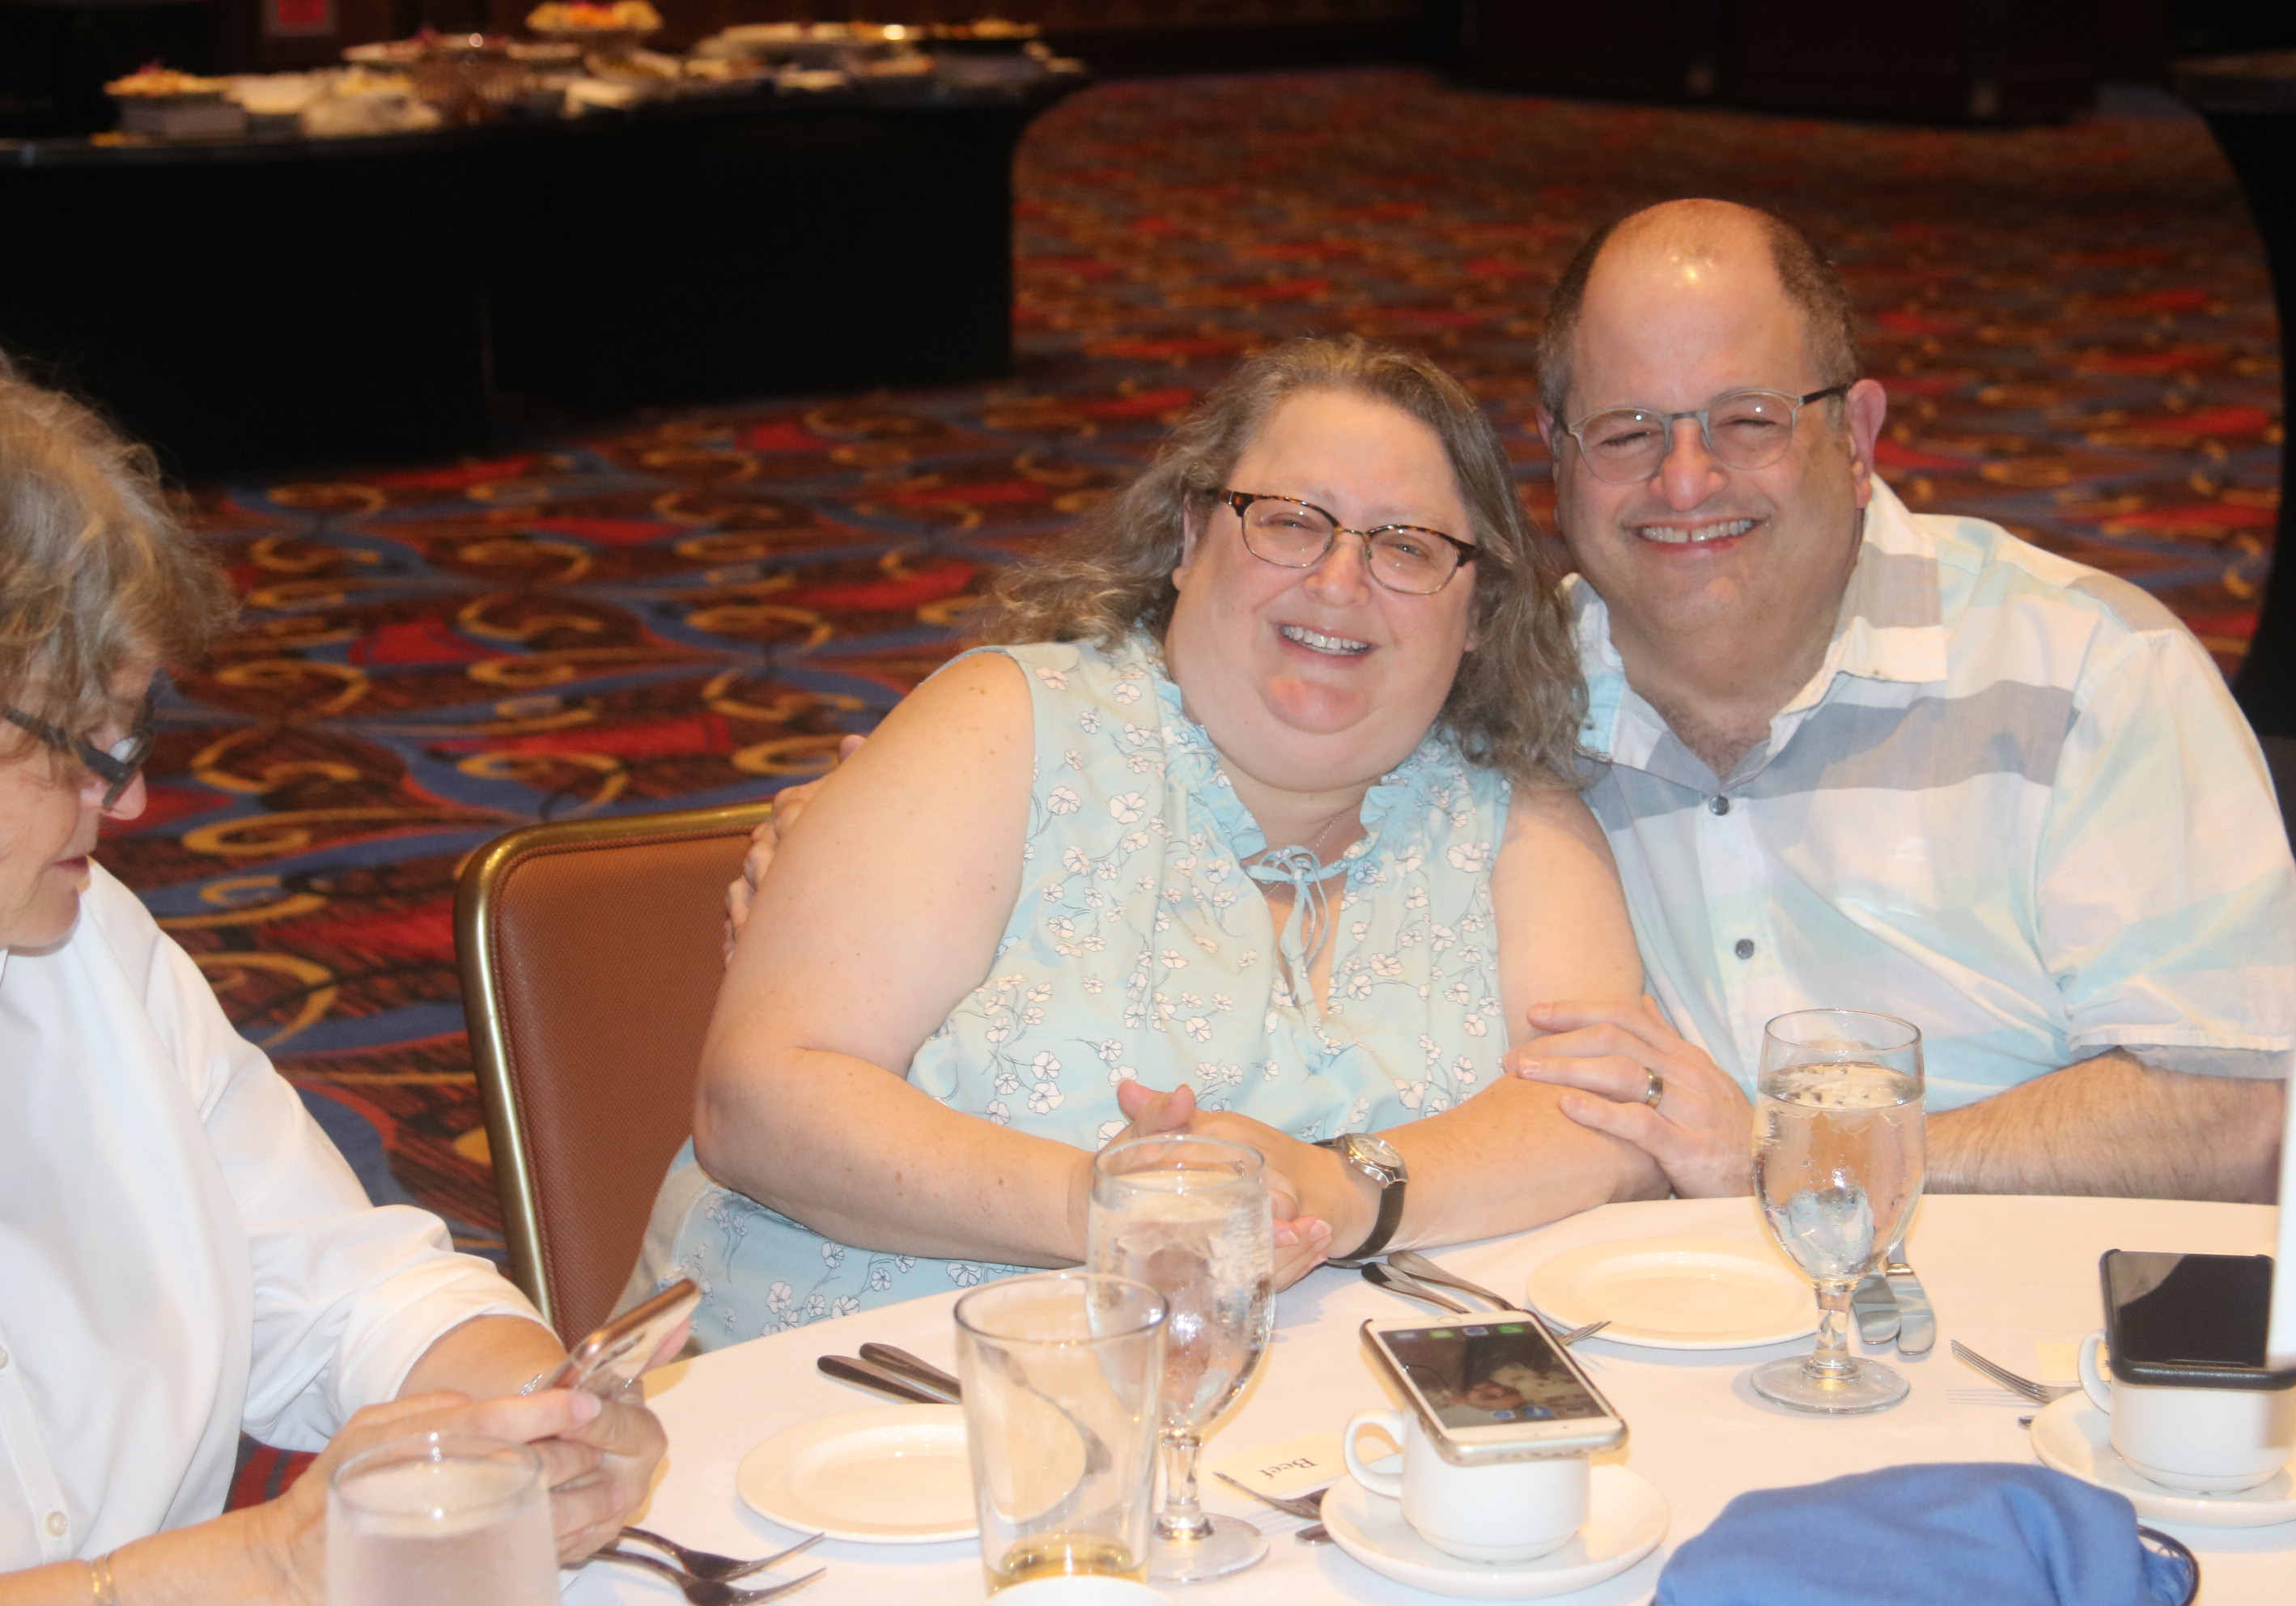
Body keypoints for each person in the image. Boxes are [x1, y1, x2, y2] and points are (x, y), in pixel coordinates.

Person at [630, 337, 1666, 1349]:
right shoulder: (1006, 729)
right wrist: (1114, 1207)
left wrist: (1342, 1187)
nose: (1340, 580)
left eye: (1407, 547)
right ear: (1188, 536)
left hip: (1316, 1420)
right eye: (1292, 522)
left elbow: (1611, 1122)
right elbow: (759, 1101)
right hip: (865, 1385)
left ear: (1479, 609)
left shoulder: (1514, 821)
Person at [1500, 200, 2296, 1202]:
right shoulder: (1499, 707)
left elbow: (2250, 1112)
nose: (1685, 482)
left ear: (1856, 437)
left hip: (2045, 1288)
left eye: (1749, 421)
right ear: (1556, 451)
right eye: (1626, 433)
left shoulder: (2086, 669)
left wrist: (1807, 1159)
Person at [0, 363, 666, 1601]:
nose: (125, 801)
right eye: (82, 743)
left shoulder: (91, 949)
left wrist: (530, 1413)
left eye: (127, 735)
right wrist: (258, 1563)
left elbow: (350, 1292)